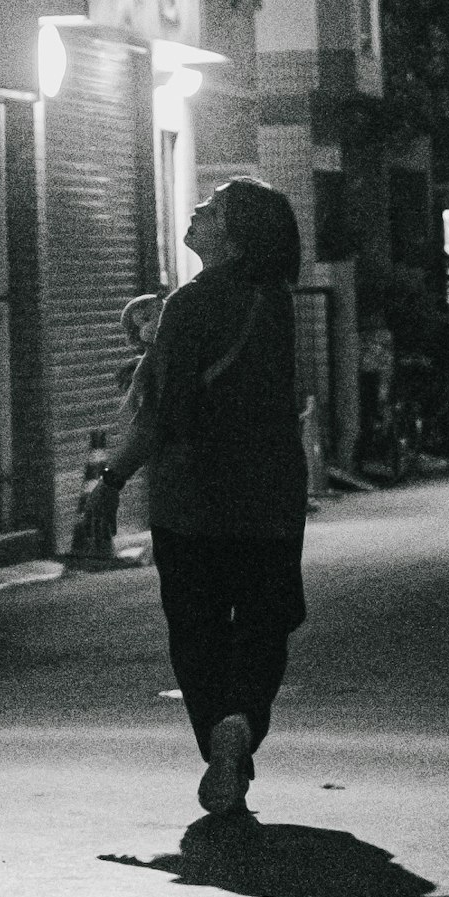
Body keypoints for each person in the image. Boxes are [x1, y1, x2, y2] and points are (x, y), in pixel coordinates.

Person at [88, 177, 309, 826]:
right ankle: (240, 725)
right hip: (270, 496)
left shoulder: (190, 305)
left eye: (210, 210)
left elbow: (162, 418)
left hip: (192, 502)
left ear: (233, 236)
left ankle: (220, 734)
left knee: (197, 632)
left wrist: (111, 479)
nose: (195, 211)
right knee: (263, 625)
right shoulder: (276, 301)